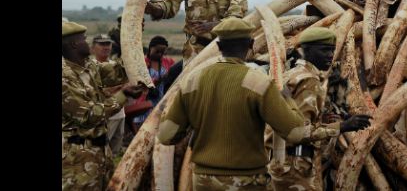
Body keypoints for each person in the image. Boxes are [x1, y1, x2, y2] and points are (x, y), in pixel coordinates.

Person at [158, 18, 368, 191]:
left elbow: (167, 136)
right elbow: (295, 133)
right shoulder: (259, 82)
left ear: (219, 46)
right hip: (246, 180)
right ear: (251, 46)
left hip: (202, 179)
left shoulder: (192, 81)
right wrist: (288, 100)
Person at [267, 27, 372, 190]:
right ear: (306, 50)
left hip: (281, 163)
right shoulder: (308, 81)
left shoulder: (290, 75)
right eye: (324, 50)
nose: (330, 56)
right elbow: (297, 132)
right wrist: (344, 126)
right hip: (295, 168)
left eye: (332, 50)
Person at [62, 21, 143, 190]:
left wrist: (133, 36)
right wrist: (123, 95)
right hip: (76, 161)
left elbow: (120, 71)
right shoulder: (65, 77)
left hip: (100, 153)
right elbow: (88, 116)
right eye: (83, 39)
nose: (87, 41)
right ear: (74, 44)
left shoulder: (88, 65)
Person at [89, 34, 129, 156]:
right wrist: (118, 88)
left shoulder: (115, 65)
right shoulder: (90, 66)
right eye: (101, 44)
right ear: (93, 48)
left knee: (115, 150)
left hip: (120, 112)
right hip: (103, 114)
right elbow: (94, 90)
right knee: (101, 150)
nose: (106, 47)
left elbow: (126, 84)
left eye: (108, 44)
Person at [131, 36, 175, 132]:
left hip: (162, 101)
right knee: (142, 133)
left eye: (162, 52)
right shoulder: (141, 62)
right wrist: (159, 79)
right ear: (150, 48)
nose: (160, 54)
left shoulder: (169, 62)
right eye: (157, 51)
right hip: (143, 103)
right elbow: (137, 81)